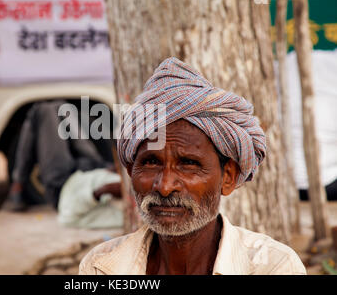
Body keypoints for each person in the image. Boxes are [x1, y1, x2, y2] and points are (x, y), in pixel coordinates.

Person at [79, 57, 306, 275]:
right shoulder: (101, 266)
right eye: (150, 162)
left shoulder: (273, 267)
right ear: (130, 171)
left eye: (188, 164)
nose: (165, 187)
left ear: (228, 177)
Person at [2, 100, 122, 219]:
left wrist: (108, 185)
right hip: (88, 169)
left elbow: (96, 195)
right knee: (61, 107)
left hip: (64, 186)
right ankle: (17, 186)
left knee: (42, 110)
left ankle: (17, 185)